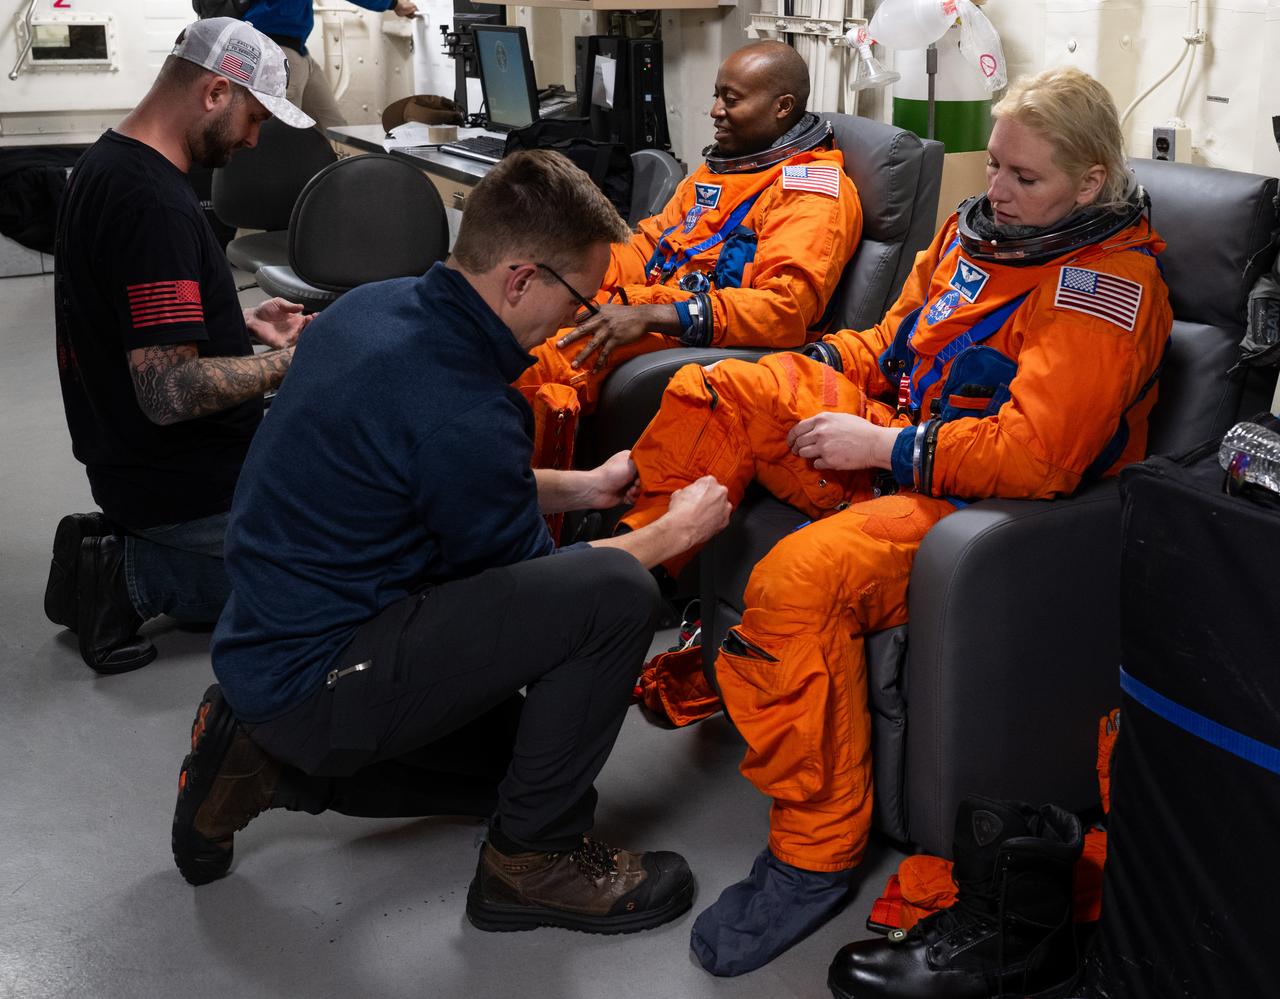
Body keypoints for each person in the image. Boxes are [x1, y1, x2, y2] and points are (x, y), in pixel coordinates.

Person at [617, 67, 1173, 976]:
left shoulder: (1103, 290)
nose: (995, 189)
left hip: (978, 506)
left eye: (1023, 178)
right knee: (715, 389)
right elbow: (892, 344)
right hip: (905, 442)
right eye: (994, 166)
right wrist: (817, 364)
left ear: (1093, 180)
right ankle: (616, 595)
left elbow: (1037, 459)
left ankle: (813, 855)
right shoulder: (977, 233)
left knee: (795, 579)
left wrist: (884, 452)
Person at [169, 150, 733, 937]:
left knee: (510, 767)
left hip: (269, 642)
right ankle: (533, 862)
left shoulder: (376, 310)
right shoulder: (463, 405)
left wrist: (587, 485)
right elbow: (550, 592)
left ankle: (259, 757)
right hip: (317, 674)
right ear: (520, 278)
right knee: (617, 596)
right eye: (576, 300)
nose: (576, 321)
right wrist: (674, 534)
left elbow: (440, 473)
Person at [46, 18, 317, 675]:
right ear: (216, 93)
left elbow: (124, 323)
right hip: (186, 486)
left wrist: (240, 323)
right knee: (356, 561)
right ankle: (130, 572)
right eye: (254, 118)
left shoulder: (107, 163)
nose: (254, 140)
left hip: (138, 466)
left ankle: (130, 545)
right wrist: (293, 362)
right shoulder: (153, 206)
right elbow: (169, 393)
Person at [513, 39, 862, 417]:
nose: (715, 111)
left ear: (782, 107)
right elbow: (650, 247)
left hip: (709, 338)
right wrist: (566, 275)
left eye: (731, 99)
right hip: (651, 311)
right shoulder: (722, 170)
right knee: (519, 323)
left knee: (533, 363)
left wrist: (653, 314)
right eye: (717, 96)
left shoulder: (811, 190)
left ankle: (516, 475)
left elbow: (785, 310)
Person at [240, 0, 419, 132]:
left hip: (296, 50)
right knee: (279, 135)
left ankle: (339, 179)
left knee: (335, 129)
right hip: (275, 48)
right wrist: (394, 3)